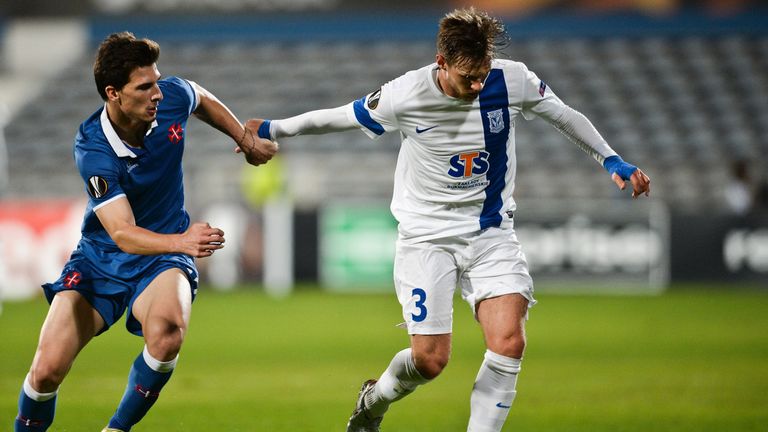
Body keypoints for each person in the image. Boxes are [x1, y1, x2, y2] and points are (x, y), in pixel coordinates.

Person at [243, 7, 651, 432]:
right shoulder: (406, 93)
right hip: (427, 239)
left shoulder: (511, 79)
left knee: (509, 341)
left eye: (483, 74)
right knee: (430, 361)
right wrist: (272, 128)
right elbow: (340, 117)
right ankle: (375, 398)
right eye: (467, 77)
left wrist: (612, 160)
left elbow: (564, 115)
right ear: (441, 63)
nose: (477, 84)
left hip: (491, 230)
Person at [14, 32, 276, 432]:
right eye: (145, 86)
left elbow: (198, 95)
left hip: (161, 257)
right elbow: (122, 233)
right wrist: (185, 241)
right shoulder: (94, 147)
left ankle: (116, 429)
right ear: (113, 93)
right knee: (47, 371)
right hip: (102, 258)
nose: (158, 93)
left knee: (169, 332)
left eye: (157, 81)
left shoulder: (169, 98)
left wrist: (243, 137)